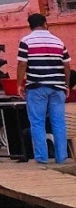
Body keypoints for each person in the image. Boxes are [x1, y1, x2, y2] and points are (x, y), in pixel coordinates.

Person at [17, 12, 72, 164]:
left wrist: (19, 84)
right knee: (59, 122)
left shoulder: (26, 41)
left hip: (36, 87)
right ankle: (62, 157)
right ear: (45, 23)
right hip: (57, 87)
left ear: (31, 26)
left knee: (37, 122)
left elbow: (22, 64)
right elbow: (66, 65)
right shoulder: (58, 41)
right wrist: (66, 85)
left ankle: (42, 158)